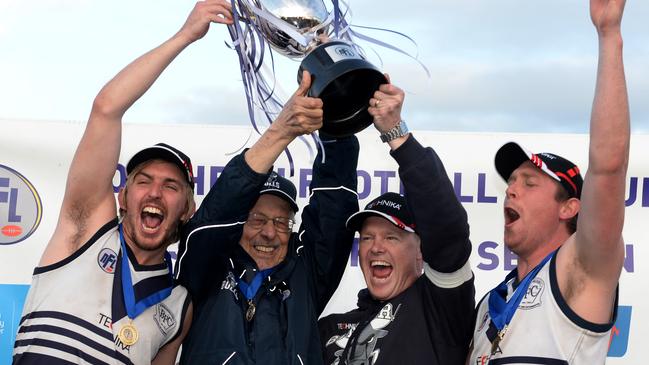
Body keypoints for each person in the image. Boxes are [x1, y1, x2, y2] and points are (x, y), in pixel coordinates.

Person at [11, 1, 235, 364]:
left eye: (171, 186)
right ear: (122, 197)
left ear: (187, 209)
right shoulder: (83, 230)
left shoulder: (177, 308)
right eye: (143, 180)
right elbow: (106, 108)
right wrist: (185, 36)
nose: (155, 192)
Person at [467, 1, 629, 363]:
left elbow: (609, 166)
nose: (511, 189)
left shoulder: (581, 269)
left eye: (529, 183)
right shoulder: (488, 306)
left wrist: (609, 35)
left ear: (570, 207)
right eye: (511, 181)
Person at [175, 69, 360, 364]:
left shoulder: (306, 276)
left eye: (280, 222)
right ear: (238, 223)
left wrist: (335, 115)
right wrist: (281, 132)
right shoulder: (207, 267)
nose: (269, 233)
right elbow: (217, 214)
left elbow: (334, 209)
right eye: (257, 220)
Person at [318, 81, 475, 365]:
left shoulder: (439, 311)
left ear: (421, 251)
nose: (376, 247)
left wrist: (395, 132)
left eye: (391, 237)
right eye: (367, 238)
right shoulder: (328, 327)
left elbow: (447, 229)